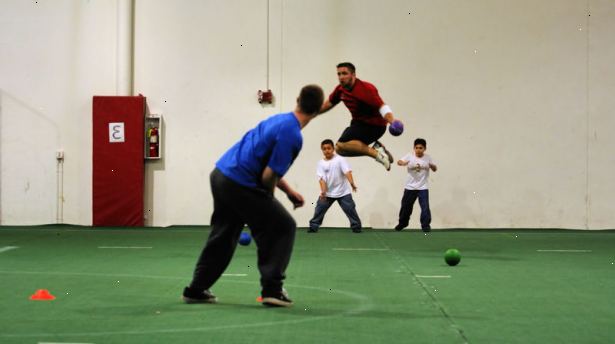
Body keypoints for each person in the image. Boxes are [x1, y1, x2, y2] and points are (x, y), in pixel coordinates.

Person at [182, 84, 325, 308]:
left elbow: (265, 167)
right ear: (317, 112)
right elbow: (268, 177)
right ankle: (273, 290)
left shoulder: (278, 120)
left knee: (224, 234)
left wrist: (288, 192)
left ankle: (196, 289)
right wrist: (267, 202)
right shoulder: (293, 135)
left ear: (297, 100)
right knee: (282, 226)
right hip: (239, 182)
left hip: (221, 175)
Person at [319, 62, 403, 171]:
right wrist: (310, 113)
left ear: (353, 75)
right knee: (340, 149)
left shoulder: (366, 89)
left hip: (375, 126)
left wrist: (392, 121)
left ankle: (377, 155)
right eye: (339, 74)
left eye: (344, 73)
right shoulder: (340, 89)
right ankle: (378, 149)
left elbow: (382, 107)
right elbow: (328, 103)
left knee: (342, 145)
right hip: (358, 124)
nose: (341, 77)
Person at [308, 139, 362, 233]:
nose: (327, 150)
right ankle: (313, 226)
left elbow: (347, 172)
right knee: (319, 209)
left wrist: (352, 183)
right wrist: (323, 192)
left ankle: (356, 227)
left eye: (329, 148)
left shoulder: (340, 160)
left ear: (333, 149)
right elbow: (322, 179)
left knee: (350, 209)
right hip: (328, 193)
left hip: (343, 192)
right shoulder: (320, 163)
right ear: (322, 150)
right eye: (324, 149)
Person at [395, 138, 437, 232]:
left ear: (425, 148)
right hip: (410, 187)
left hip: (423, 187)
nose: (418, 150)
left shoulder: (428, 158)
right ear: (414, 148)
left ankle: (425, 226)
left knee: (425, 207)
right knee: (406, 207)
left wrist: (432, 166)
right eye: (416, 148)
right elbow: (399, 162)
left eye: (421, 148)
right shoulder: (409, 156)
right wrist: (403, 163)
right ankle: (402, 223)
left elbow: (435, 168)